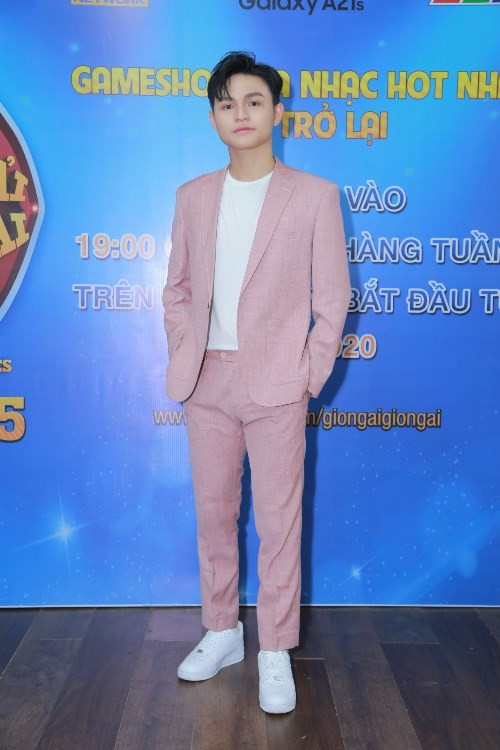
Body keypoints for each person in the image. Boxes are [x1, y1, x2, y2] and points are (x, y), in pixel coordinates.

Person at [162, 50, 351, 714]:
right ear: (213, 117)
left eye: (253, 101)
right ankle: (222, 632)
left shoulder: (316, 196)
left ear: (276, 112)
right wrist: (185, 352)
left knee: (277, 521)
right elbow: (178, 290)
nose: (240, 113)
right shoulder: (192, 197)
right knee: (214, 515)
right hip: (206, 381)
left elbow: (333, 298)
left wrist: (307, 374)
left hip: (278, 383)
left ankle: (274, 648)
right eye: (226, 103)